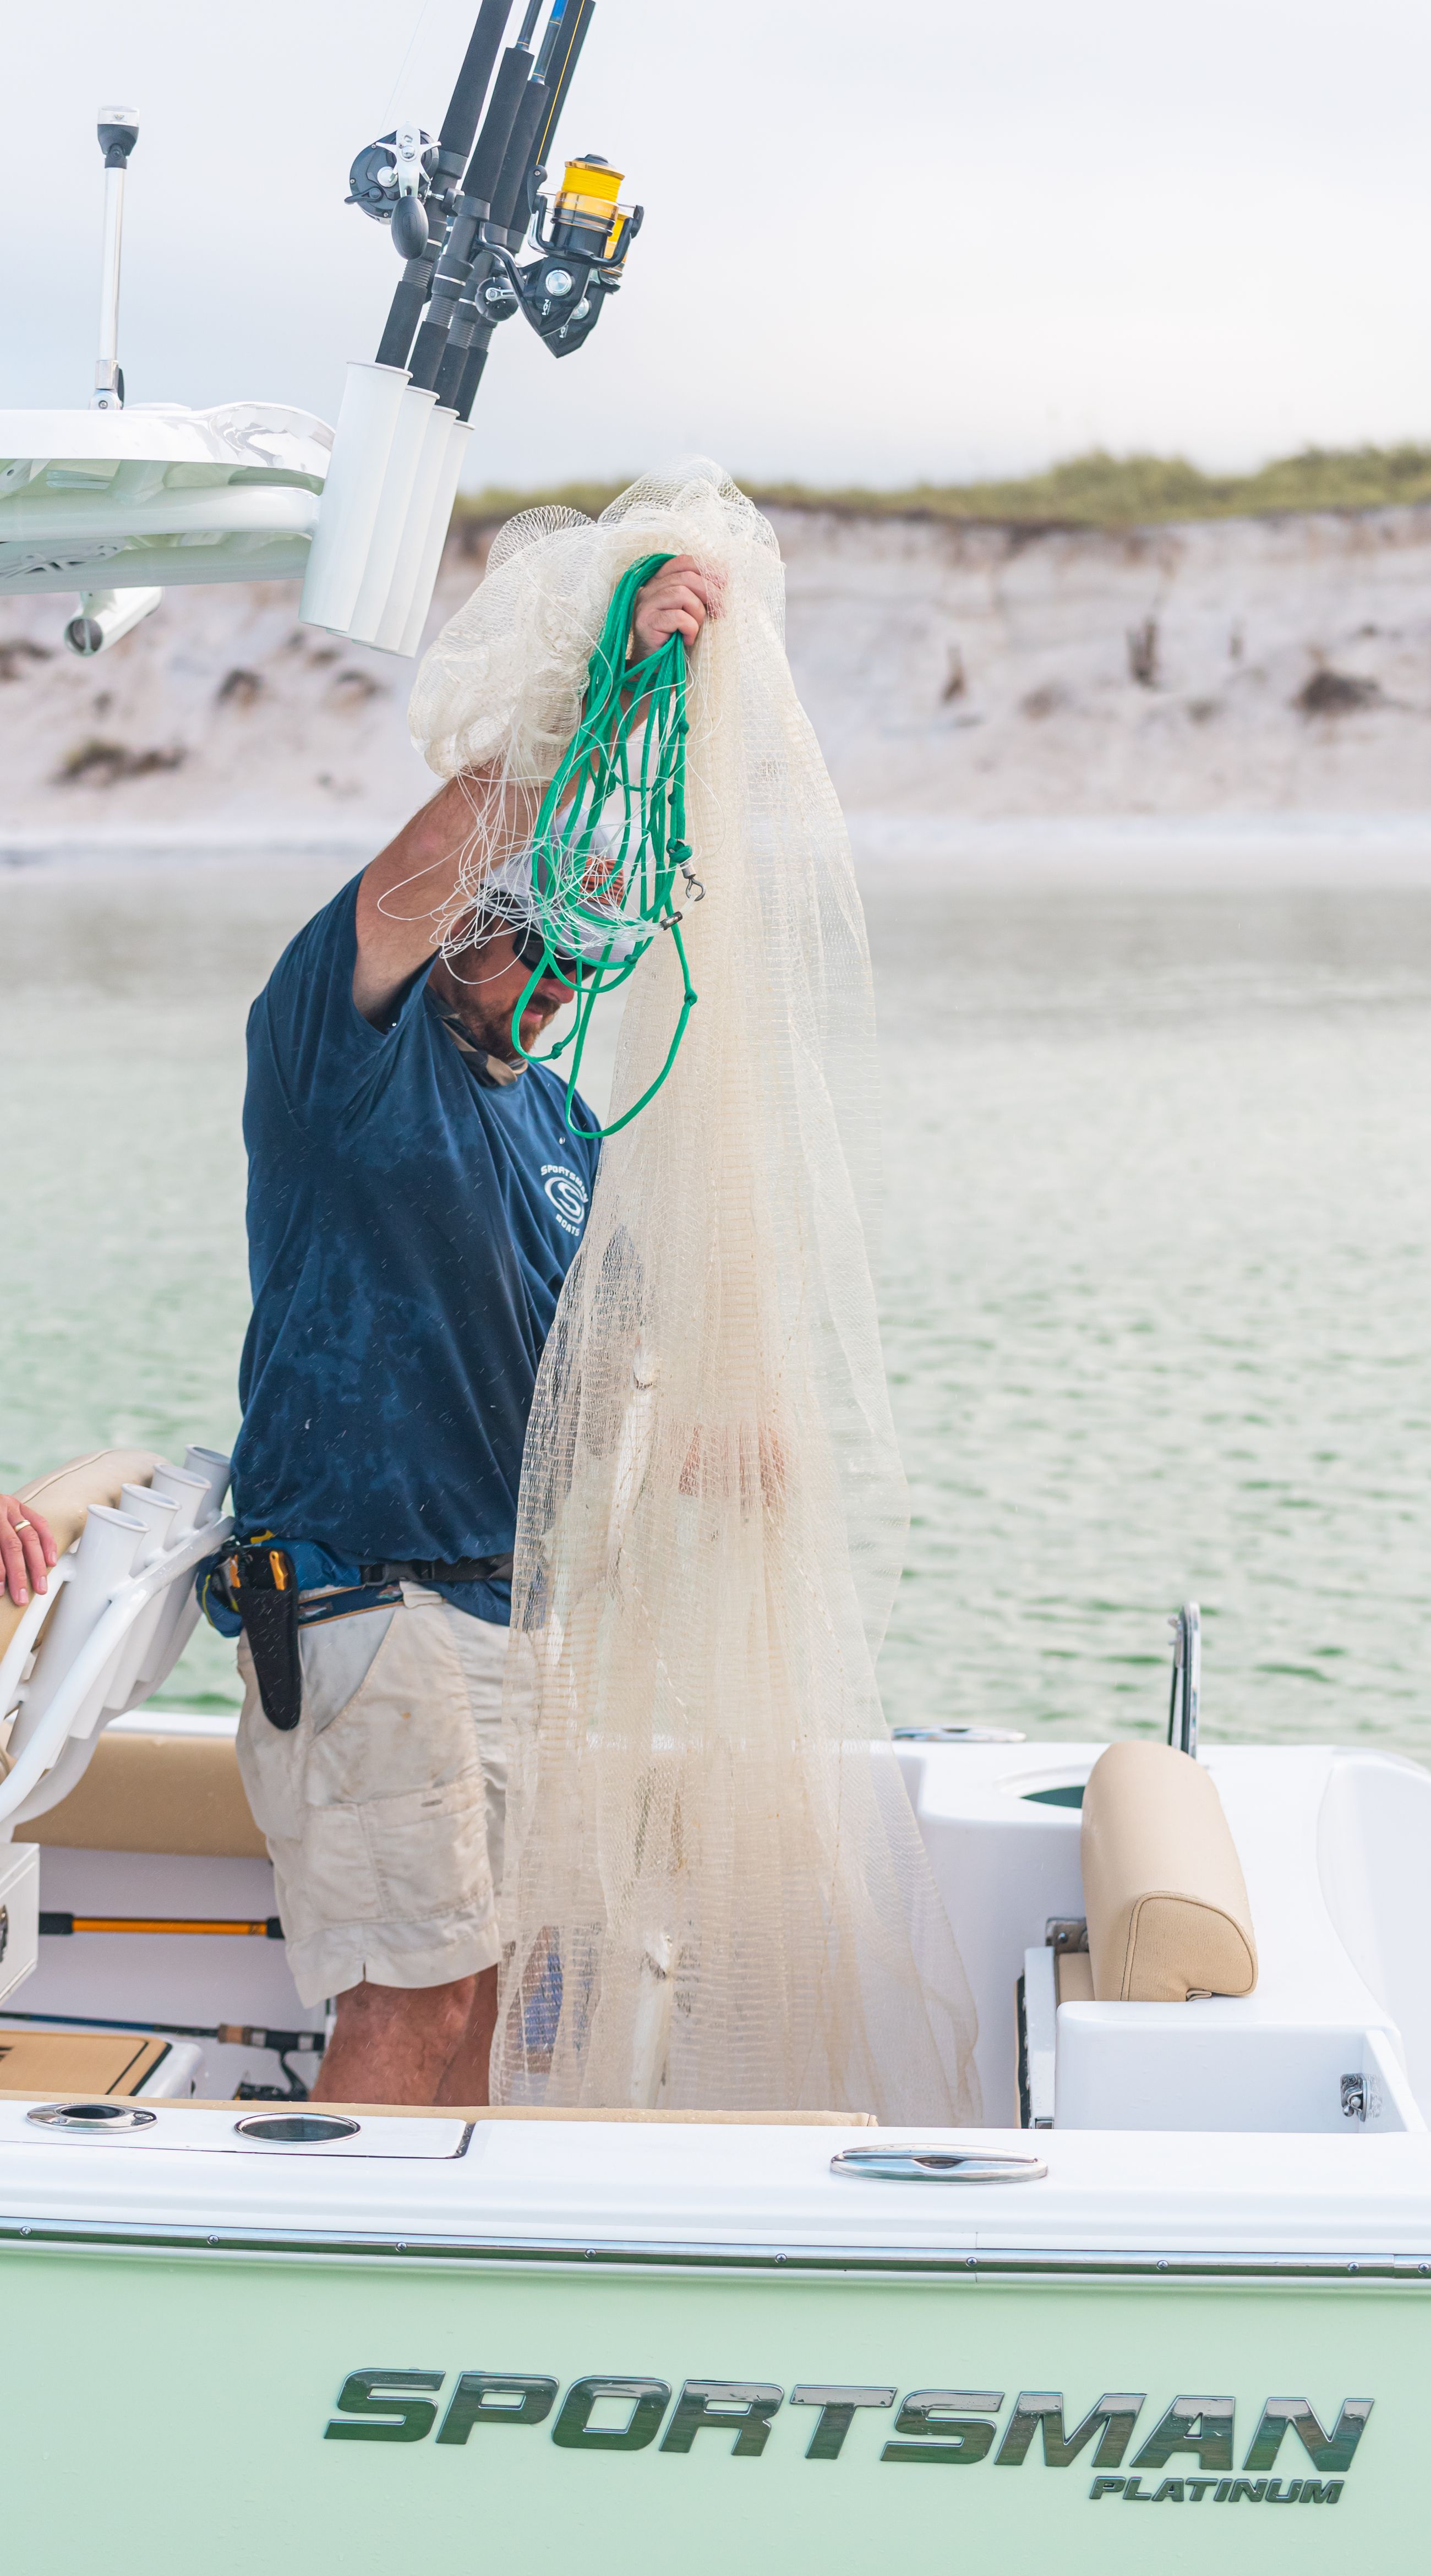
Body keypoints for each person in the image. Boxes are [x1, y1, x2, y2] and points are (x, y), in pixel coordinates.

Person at [209, 551, 713, 2110]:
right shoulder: (343, 1048)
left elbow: (605, 1373)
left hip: (511, 1630)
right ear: (465, 927)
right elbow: (426, 863)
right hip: (371, 1615)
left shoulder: (564, 1125)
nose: (558, 977)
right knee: (411, 2002)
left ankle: (421, 2281)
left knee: (487, 2003)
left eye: (587, 952)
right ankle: (337, 2310)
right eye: (535, 936)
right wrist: (604, 699)